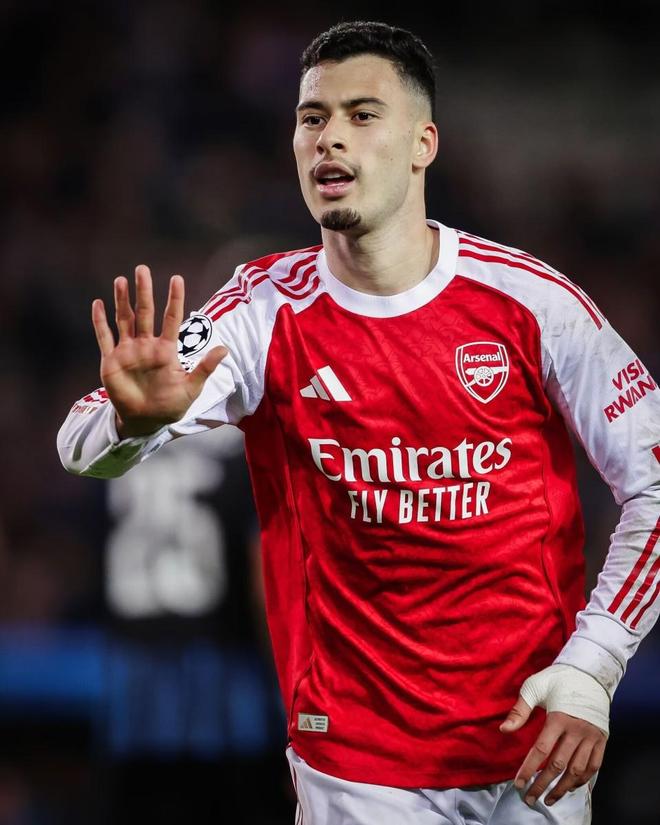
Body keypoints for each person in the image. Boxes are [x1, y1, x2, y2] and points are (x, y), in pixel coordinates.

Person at [57, 20, 660, 825]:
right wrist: (131, 424)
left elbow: (654, 484)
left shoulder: (532, 303)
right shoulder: (261, 310)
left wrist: (594, 663)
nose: (329, 137)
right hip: (359, 766)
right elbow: (81, 445)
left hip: (534, 746)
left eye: (361, 114)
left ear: (422, 144)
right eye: (312, 118)